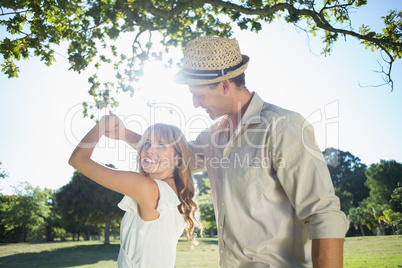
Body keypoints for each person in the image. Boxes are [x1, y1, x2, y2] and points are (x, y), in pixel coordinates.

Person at [113, 36, 349, 267]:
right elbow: (177, 157)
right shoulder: (213, 137)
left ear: (225, 85)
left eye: (200, 95)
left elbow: (322, 213)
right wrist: (125, 134)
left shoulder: (282, 127)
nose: (195, 103)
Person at [68, 114, 199, 268]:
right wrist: (124, 134)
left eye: (162, 145)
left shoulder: (147, 188)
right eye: (147, 143)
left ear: (178, 159)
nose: (149, 150)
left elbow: (78, 160)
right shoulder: (173, 193)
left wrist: (102, 125)